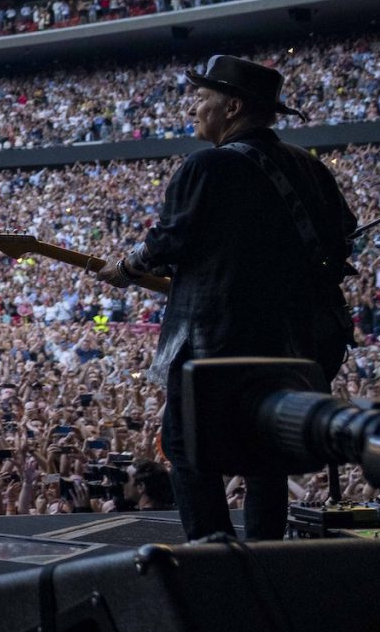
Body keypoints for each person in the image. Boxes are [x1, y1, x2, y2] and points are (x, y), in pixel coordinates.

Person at [94, 56, 356, 540]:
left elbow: (171, 239)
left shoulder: (207, 165)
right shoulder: (310, 168)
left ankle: (211, 557)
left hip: (213, 345)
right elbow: (343, 240)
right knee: (266, 452)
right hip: (289, 345)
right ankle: (265, 556)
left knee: (187, 446)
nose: (194, 107)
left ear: (232, 106)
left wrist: (126, 268)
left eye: (202, 98)